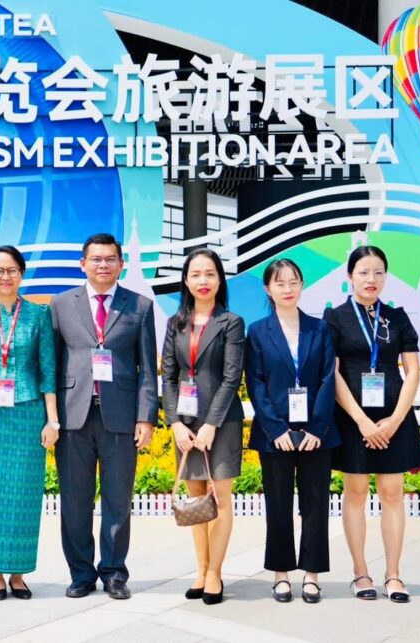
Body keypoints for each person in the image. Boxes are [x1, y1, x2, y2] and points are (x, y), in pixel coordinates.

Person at [50, 232, 157, 600]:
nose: (103, 265)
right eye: (96, 259)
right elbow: (51, 364)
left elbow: (147, 369)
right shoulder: (61, 305)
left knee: (117, 500)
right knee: (74, 501)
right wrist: (51, 417)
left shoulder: (140, 306)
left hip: (120, 417)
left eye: (110, 259)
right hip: (72, 417)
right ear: (83, 263)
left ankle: (114, 573)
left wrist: (146, 417)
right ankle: (81, 573)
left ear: (121, 264)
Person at [323, 245, 420, 604]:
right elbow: (332, 373)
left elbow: (413, 371)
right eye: (364, 272)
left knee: (392, 493)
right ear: (349, 277)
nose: (372, 279)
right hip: (353, 419)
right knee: (355, 493)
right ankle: (360, 572)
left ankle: (394, 575)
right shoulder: (335, 318)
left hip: (394, 417)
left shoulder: (397, 317)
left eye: (379, 272)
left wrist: (395, 420)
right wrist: (363, 421)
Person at [0, 246, 59, 600]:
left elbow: (48, 370)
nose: (5, 276)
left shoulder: (39, 314)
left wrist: (52, 421)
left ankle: (18, 574)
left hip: (29, 414)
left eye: (12, 270)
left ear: (22, 273)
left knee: (23, 495)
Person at [245, 258, 338, 604]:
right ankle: (281, 574)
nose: (288, 289)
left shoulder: (320, 328)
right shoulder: (258, 331)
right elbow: (255, 383)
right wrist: (275, 429)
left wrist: (317, 428)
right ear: (268, 289)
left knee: (315, 504)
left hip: (316, 434)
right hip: (275, 436)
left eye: (294, 282)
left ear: (302, 286)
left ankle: (312, 575)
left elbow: (328, 378)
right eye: (280, 283)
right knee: (278, 504)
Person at [160, 248, 244, 605]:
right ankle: (201, 568)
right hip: (186, 421)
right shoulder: (174, 323)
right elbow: (168, 376)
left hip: (221, 421)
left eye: (210, 274)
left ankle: (215, 573)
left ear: (220, 279)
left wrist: (211, 424)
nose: (203, 281)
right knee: (196, 498)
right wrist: (175, 424)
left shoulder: (231, 322)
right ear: (186, 280)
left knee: (220, 499)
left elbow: (231, 377)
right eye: (195, 274)